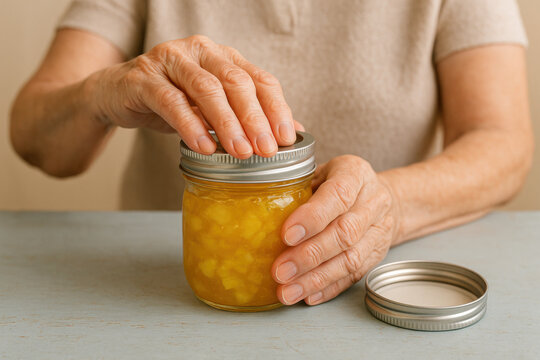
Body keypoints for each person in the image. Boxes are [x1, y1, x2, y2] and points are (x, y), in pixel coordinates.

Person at [10, 0, 533, 307]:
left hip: (375, 293)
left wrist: (389, 206)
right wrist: (99, 92)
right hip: (153, 299)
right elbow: (35, 139)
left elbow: (504, 142)